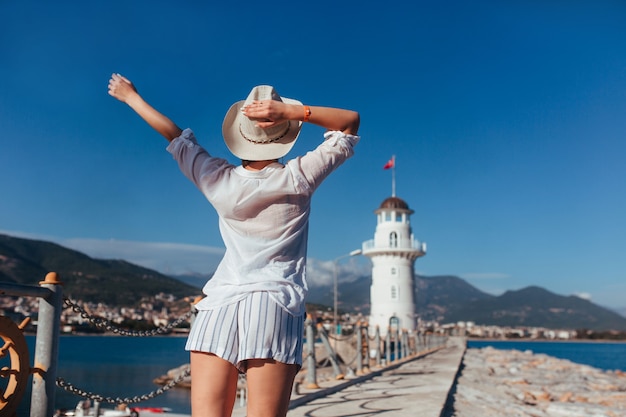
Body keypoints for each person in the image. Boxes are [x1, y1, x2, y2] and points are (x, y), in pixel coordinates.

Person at [107, 73, 360, 417]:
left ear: (240, 135)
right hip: (273, 303)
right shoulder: (298, 176)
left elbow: (173, 133)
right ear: (283, 136)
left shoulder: (216, 178)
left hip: (218, 305)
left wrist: (130, 97)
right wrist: (289, 111)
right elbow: (349, 121)